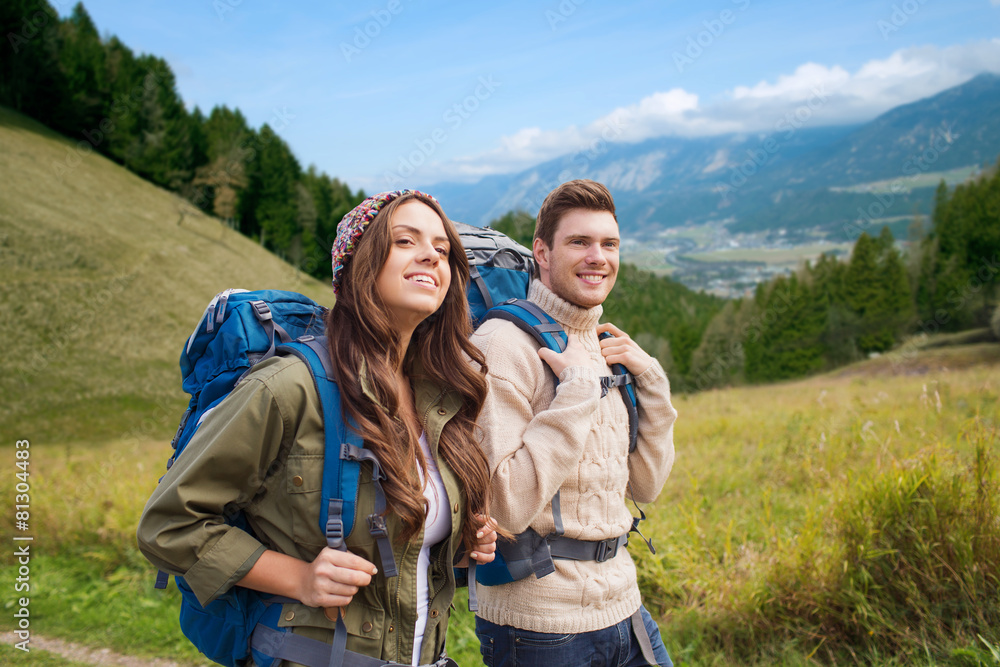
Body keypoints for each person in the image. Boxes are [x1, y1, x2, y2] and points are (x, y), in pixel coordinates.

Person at [137, 190, 498, 667]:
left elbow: (394, 548)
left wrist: (456, 541)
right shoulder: (289, 387)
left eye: (442, 248)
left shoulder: (439, 397)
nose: (431, 254)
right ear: (359, 265)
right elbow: (169, 524)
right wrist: (299, 578)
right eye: (405, 240)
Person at [470, 179, 677, 666]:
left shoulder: (604, 344)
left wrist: (652, 381)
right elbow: (502, 506)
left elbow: (645, 485)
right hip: (540, 627)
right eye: (579, 242)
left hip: (625, 604)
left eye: (609, 244)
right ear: (542, 252)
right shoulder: (502, 346)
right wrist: (577, 396)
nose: (598, 257)